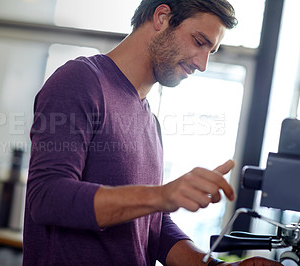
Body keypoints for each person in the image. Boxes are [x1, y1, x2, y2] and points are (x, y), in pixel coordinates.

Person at [23, 0, 282, 265]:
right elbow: (46, 197)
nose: (203, 64)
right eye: (198, 41)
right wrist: (161, 195)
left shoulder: (150, 122)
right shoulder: (80, 81)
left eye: (211, 51)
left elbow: (151, 227)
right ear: (162, 18)